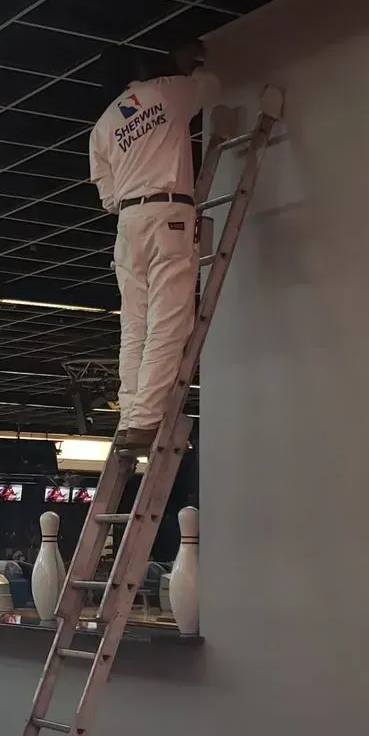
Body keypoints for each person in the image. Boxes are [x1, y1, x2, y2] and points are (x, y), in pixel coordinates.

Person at [89, 39, 219, 448]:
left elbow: (108, 199)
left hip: (128, 224)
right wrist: (192, 65)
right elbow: (210, 86)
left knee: (135, 324)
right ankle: (145, 420)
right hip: (168, 213)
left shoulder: (102, 128)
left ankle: (131, 417)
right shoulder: (165, 92)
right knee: (168, 318)